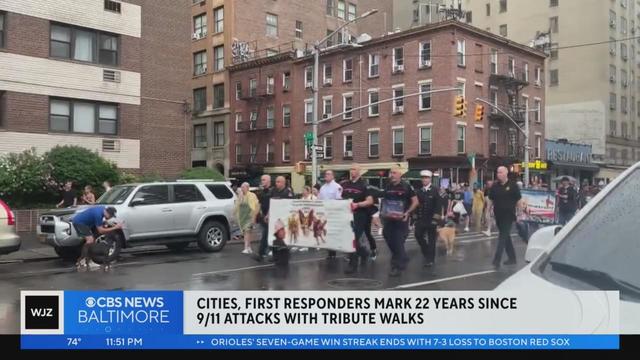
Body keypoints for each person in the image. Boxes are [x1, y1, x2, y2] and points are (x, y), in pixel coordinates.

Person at [380, 167, 419, 277]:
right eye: (390, 173)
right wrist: (381, 214)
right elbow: (385, 201)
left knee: (397, 242)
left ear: (400, 174)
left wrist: (407, 212)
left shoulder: (407, 187)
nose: (391, 175)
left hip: (401, 220)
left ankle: (396, 266)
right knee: (386, 236)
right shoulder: (387, 186)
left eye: (394, 173)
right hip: (388, 219)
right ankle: (403, 257)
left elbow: (415, 202)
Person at [340, 164, 375, 274]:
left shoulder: (364, 185)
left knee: (353, 238)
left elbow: (370, 201)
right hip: (346, 215)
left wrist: (358, 204)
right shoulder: (345, 184)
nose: (352, 171)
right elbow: (341, 198)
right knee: (349, 238)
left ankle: (352, 264)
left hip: (360, 216)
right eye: (351, 169)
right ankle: (364, 253)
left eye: (354, 169)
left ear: (359, 172)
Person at [489, 166, 522, 269]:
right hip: (498, 215)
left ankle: (496, 260)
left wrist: (520, 214)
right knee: (506, 236)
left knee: (502, 237)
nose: (498, 174)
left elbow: (519, 200)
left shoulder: (513, 185)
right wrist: (488, 211)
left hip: (509, 215)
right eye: (497, 172)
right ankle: (512, 258)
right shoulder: (495, 186)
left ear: (506, 173)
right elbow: (490, 199)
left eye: (500, 172)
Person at [71, 206, 122, 270]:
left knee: (92, 240)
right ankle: (83, 261)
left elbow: (101, 221)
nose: (110, 218)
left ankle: (86, 260)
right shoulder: (98, 215)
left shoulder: (102, 209)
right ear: (107, 213)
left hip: (83, 223)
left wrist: (110, 224)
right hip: (79, 223)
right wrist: (115, 227)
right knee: (90, 240)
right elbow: (100, 230)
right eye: (110, 216)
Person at [414, 170, 443, 268]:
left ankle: (430, 259)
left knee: (432, 240)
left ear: (430, 179)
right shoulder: (419, 191)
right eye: (423, 178)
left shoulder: (436, 190)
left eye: (426, 178)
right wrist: (414, 219)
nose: (424, 179)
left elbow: (438, 206)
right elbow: (416, 205)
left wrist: (435, 220)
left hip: (431, 219)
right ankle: (426, 250)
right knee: (418, 235)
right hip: (421, 219)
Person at [318, 170, 343, 259]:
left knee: (333, 233)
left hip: (333, 213)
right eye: (325, 174)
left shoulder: (337, 187)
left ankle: (334, 252)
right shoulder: (322, 187)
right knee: (326, 233)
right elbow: (319, 200)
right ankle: (330, 252)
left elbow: (338, 200)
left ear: (333, 176)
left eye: (328, 174)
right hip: (324, 214)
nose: (326, 175)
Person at [253, 175, 273, 262]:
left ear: (268, 181)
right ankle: (265, 253)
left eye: (264, 180)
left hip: (271, 217)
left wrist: (268, 214)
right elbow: (259, 205)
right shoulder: (262, 192)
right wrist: (255, 215)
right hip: (264, 217)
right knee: (268, 236)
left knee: (266, 235)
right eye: (261, 180)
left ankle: (261, 254)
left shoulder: (272, 191)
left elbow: (273, 204)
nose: (262, 181)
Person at [235, 182, 259, 254]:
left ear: (247, 188)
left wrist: (254, 215)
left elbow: (255, 205)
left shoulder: (252, 195)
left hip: (249, 216)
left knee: (247, 231)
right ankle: (249, 247)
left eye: (243, 187)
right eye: (241, 187)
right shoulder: (241, 196)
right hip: (242, 216)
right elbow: (237, 205)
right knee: (247, 232)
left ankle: (246, 247)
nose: (242, 189)